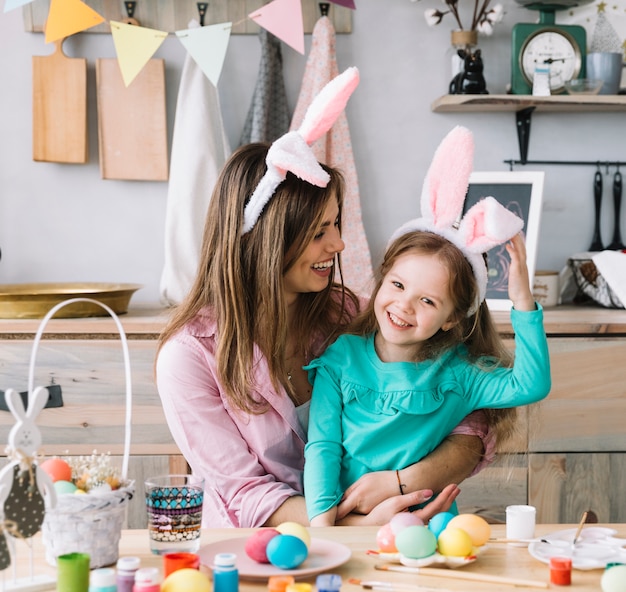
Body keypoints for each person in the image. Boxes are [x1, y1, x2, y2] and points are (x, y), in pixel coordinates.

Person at [155, 71, 493, 529]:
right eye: (319, 232)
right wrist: (348, 524)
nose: (338, 246)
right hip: (256, 554)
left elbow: (468, 420)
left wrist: (403, 483)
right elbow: (245, 493)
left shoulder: (347, 315)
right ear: (267, 241)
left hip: (387, 529)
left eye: (336, 226)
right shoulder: (189, 357)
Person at [303, 126, 552, 526]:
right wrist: (323, 525)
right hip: (352, 523)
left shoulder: (458, 374)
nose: (403, 306)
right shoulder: (341, 359)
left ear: (452, 318)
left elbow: (531, 385)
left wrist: (523, 303)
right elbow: (323, 446)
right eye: (398, 285)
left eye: (427, 301)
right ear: (382, 279)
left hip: (429, 523)